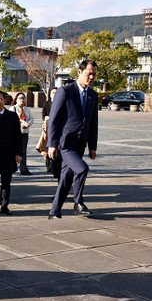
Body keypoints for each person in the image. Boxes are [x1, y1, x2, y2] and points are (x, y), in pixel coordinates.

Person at [48, 60, 99, 219]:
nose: (91, 77)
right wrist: (51, 144)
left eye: (94, 74)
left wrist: (92, 146)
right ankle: (78, 202)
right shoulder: (65, 91)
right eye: (88, 73)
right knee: (82, 169)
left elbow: (93, 123)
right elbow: (54, 120)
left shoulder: (93, 95)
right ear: (79, 72)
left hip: (80, 143)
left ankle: (54, 212)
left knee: (66, 178)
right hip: (66, 143)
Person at [9, 92, 34, 175]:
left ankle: (24, 168)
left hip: (25, 132)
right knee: (13, 150)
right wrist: (22, 123)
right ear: (16, 99)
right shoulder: (13, 108)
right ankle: (12, 167)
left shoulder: (27, 109)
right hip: (15, 133)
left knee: (23, 150)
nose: (22, 100)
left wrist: (28, 124)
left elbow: (31, 119)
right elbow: (12, 119)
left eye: (23, 98)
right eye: (20, 98)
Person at [40, 87, 62, 179]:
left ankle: (56, 167)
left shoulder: (61, 102)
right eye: (53, 92)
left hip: (59, 129)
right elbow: (43, 115)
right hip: (49, 127)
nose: (54, 94)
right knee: (48, 146)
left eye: (56, 92)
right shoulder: (47, 103)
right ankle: (49, 165)